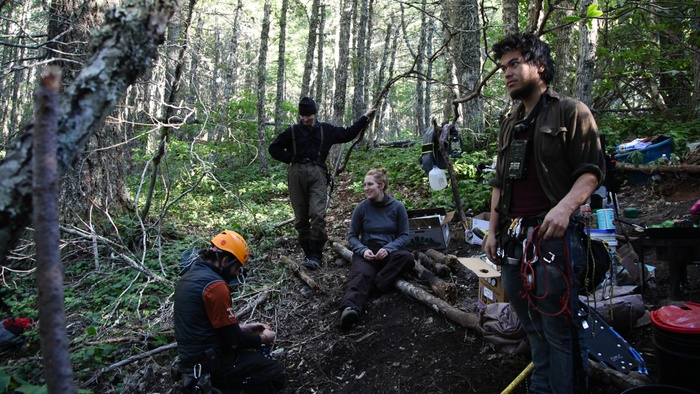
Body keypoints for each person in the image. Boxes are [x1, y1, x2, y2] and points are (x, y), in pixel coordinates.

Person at [482, 33, 605, 394]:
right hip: (513, 242)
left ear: (539, 65)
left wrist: (564, 209)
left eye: (514, 63)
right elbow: (500, 182)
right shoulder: (509, 123)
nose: (506, 73)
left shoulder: (571, 111)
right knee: (534, 332)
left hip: (553, 241)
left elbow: (591, 171)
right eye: (503, 67)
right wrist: (492, 231)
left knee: (560, 333)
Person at [269, 97, 376, 270]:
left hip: (318, 173)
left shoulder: (326, 130)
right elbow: (273, 148)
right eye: (303, 116)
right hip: (296, 174)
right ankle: (308, 253)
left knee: (318, 214)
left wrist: (364, 117)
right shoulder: (293, 132)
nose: (306, 119)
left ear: (315, 113)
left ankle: (316, 254)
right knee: (301, 216)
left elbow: (348, 134)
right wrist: (291, 158)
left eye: (309, 115)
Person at [174, 230, 285, 393]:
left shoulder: (188, 278)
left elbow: (205, 327)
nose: (237, 273)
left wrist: (245, 328)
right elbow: (234, 341)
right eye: (237, 267)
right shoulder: (215, 286)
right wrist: (263, 338)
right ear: (225, 260)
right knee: (274, 374)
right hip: (209, 364)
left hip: (193, 359)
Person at [339, 168, 415, 328]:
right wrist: (362, 250)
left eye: (369, 184)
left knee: (407, 258)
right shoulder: (361, 208)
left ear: (381, 185)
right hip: (367, 251)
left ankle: (373, 285)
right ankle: (350, 308)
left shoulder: (397, 207)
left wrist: (388, 248)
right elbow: (352, 236)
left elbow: (404, 235)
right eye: (364, 184)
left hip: (389, 252)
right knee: (361, 274)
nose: (365, 188)